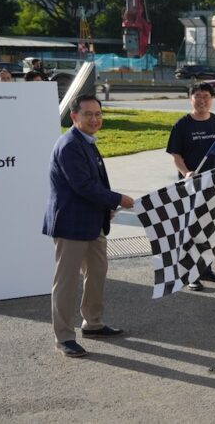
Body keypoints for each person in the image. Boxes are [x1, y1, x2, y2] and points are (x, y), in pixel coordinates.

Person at [42, 94, 135, 358]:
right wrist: (118, 199)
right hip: (71, 226)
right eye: (88, 114)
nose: (95, 119)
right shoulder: (69, 145)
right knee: (66, 283)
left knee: (96, 274)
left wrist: (107, 206)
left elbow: (93, 185)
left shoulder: (86, 142)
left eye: (98, 114)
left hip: (93, 223)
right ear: (74, 116)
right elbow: (83, 186)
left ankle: (92, 324)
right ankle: (64, 337)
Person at [166, 82, 215, 291]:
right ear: (190, 99)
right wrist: (186, 173)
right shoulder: (182, 125)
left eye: (206, 96)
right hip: (191, 186)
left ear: (212, 98)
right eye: (197, 96)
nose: (202, 100)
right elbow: (176, 156)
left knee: (209, 230)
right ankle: (190, 274)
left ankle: (205, 268)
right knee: (191, 231)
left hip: (214, 185)